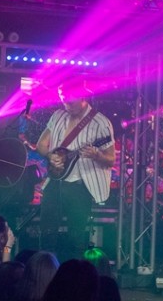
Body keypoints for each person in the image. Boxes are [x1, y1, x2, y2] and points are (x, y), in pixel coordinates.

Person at [36, 81, 115, 261]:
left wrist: (97, 155)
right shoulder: (58, 115)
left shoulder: (101, 123)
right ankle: (45, 270)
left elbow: (111, 159)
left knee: (76, 237)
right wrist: (50, 156)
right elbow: (41, 145)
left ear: (83, 97)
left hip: (80, 186)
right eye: (64, 101)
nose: (67, 106)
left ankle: (74, 272)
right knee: (46, 232)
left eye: (71, 102)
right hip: (55, 182)